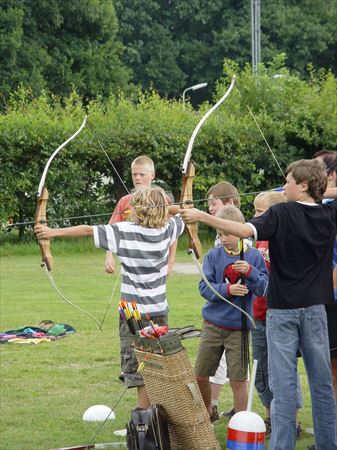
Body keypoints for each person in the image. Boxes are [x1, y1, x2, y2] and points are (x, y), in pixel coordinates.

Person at [179, 159, 337, 450]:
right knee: (322, 385)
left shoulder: (281, 213)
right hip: (316, 310)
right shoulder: (329, 211)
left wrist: (202, 215)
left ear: (302, 185)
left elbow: (240, 230)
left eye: (288, 181)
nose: (283, 185)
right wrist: (322, 190)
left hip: (282, 313)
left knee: (284, 387)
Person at [35, 187, 185, 409]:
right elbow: (185, 212)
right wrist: (167, 207)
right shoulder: (168, 230)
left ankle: (145, 418)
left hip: (133, 311)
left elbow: (87, 230)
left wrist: (51, 233)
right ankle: (155, 416)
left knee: (140, 368)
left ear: (138, 209)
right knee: (155, 364)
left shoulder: (124, 231)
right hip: (158, 309)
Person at [194, 205, 268, 420]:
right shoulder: (213, 256)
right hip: (212, 325)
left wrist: (251, 273)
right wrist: (228, 289)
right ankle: (208, 413)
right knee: (200, 375)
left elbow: (264, 288)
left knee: (238, 379)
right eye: (219, 234)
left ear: (239, 231)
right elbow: (204, 287)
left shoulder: (253, 257)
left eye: (226, 233)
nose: (222, 238)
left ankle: (241, 422)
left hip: (239, 328)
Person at [252, 191, 303, 437]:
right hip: (259, 314)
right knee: (262, 372)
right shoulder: (257, 240)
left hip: (280, 313)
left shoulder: (282, 237)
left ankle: (292, 421)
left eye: (260, 212)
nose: (255, 216)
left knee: (284, 371)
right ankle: (270, 418)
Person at [105, 155, 177, 275]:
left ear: (152, 175)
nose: (137, 178)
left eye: (142, 175)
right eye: (134, 174)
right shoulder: (125, 201)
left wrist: (170, 263)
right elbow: (110, 230)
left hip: (155, 262)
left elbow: (172, 234)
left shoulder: (162, 201)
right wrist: (109, 256)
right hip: (131, 262)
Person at [206, 181, 241, 418]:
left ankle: (234, 410)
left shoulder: (239, 234)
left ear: (228, 203)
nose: (210, 208)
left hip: (236, 315)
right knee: (218, 364)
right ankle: (214, 404)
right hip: (218, 309)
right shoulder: (221, 236)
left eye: (213, 203)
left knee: (237, 368)